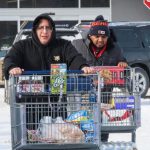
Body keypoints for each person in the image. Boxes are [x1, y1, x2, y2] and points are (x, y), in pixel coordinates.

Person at [72, 15, 128, 142]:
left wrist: (123, 63)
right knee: (84, 126)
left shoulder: (115, 49)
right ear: (90, 36)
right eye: (97, 36)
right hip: (83, 94)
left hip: (105, 94)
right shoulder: (78, 45)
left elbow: (122, 62)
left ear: (108, 37)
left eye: (103, 37)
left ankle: (102, 143)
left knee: (103, 126)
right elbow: (70, 60)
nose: (100, 40)